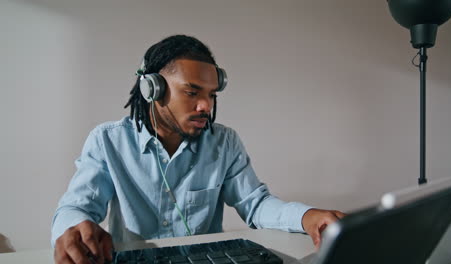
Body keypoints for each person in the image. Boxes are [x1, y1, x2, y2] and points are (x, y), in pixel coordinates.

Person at [52, 35, 345, 264]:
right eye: (192, 92)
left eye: (211, 95)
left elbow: (255, 205)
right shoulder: (107, 141)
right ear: (152, 90)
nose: (206, 105)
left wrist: (308, 217)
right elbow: (76, 207)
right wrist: (75, 228)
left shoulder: (224, 142)